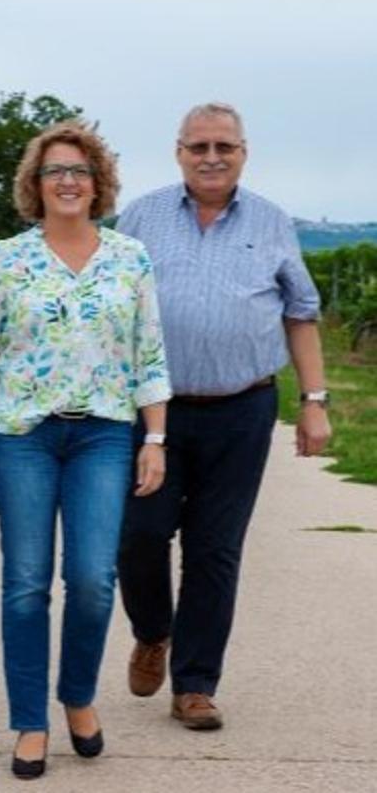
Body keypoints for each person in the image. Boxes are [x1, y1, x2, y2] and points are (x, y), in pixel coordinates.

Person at [0, 122, 171, 779]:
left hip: (103, 434)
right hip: (23, 437)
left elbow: (149, 354)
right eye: (54, 172)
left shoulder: (130, 258)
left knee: (94, 580)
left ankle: (77, 696)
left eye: (79, 170)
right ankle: (29, 721)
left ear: (98, 183)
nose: (68, 181)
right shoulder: (9, 260)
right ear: (35, 186)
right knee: (25, 583)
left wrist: (154, 437)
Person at [117, 102, 332, 731]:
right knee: (140, 535)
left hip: (242, 410)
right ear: (178, 151)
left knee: (215, 550)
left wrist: (314, 404)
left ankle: (195, 684)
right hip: (153, 411)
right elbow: (110, 305)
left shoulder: (270, 222)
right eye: (199, 147)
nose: (212, 158)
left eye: (224, 147)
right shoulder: (142, 217)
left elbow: (301, 311)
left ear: (244, 152)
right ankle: (153, 632)